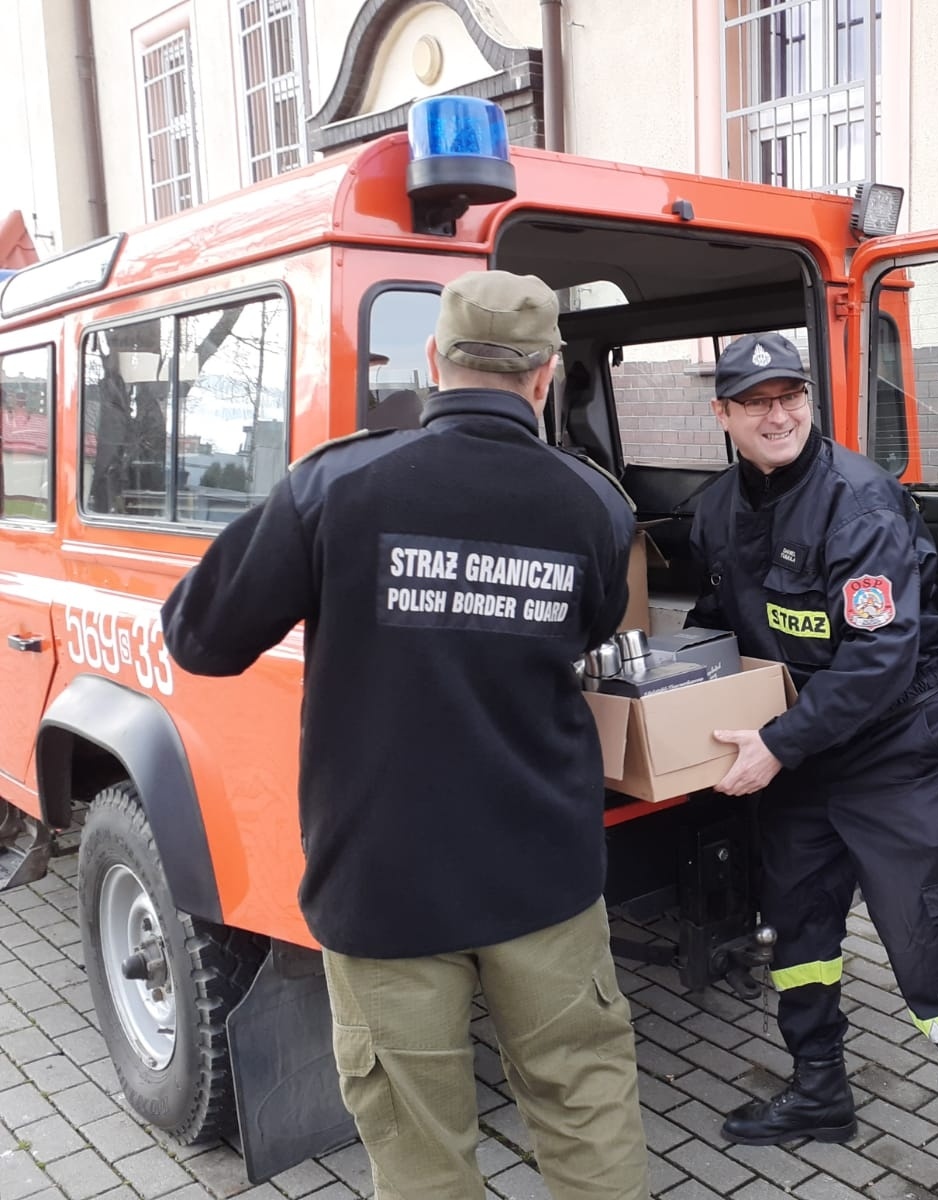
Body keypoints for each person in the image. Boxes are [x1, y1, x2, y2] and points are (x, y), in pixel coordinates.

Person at [160, 271, 649, 1200]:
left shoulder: (335, 486)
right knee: (585, 1107)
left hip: (382, 884)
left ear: (433, 360)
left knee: (420, 1152)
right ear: (547, 377)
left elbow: (201, 637)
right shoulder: (594, 505)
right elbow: (589, 632)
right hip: (541, 876)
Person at [686, 331, 938, 1200]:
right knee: (797, 922)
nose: (777, 414)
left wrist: (777, 745)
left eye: (790, 396)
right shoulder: (717, 508)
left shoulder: (857, 503)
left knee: (927, 934)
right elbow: (720, 623)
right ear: (723, 416)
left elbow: (879, 660)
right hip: (797, 747)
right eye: (754, 402)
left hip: (898, 744)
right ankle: (819, 1093)